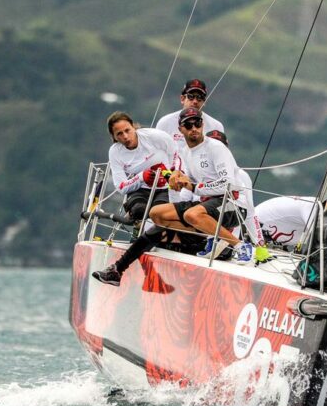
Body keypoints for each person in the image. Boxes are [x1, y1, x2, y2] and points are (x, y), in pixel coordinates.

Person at [92, 108, 251, 287]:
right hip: (206, 205)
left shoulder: (215, 147)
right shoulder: (187, 152)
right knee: (157, 214)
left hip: (231, 204)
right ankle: (117, 270)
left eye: (197, 123)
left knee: (191, 215)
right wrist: (176, 177)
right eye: (188, 125)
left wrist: (193, 187)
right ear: (180, 129)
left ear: (202, 124)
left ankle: (240, 246)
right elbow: (187, 181)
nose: (194, 128)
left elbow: (227, 185)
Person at [106, 111, 180, 221]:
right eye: (119, 134)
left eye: (127, 130)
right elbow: (121, 187)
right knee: (139, 210)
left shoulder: (155, 136)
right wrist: (141, 177)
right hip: (140, 189)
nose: (125, 136)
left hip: (164, 188)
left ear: (133, 127)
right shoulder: (115, 152)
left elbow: (176, 154)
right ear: (114, 137)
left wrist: (170, 174)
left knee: (159, 212)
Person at [155, 79, 224, 150]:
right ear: (182, 99)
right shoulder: (165, 122)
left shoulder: (216, 126)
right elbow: (156, 150)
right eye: (191, 96)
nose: (195, 101)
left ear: (204, 101)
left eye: (200, 97)